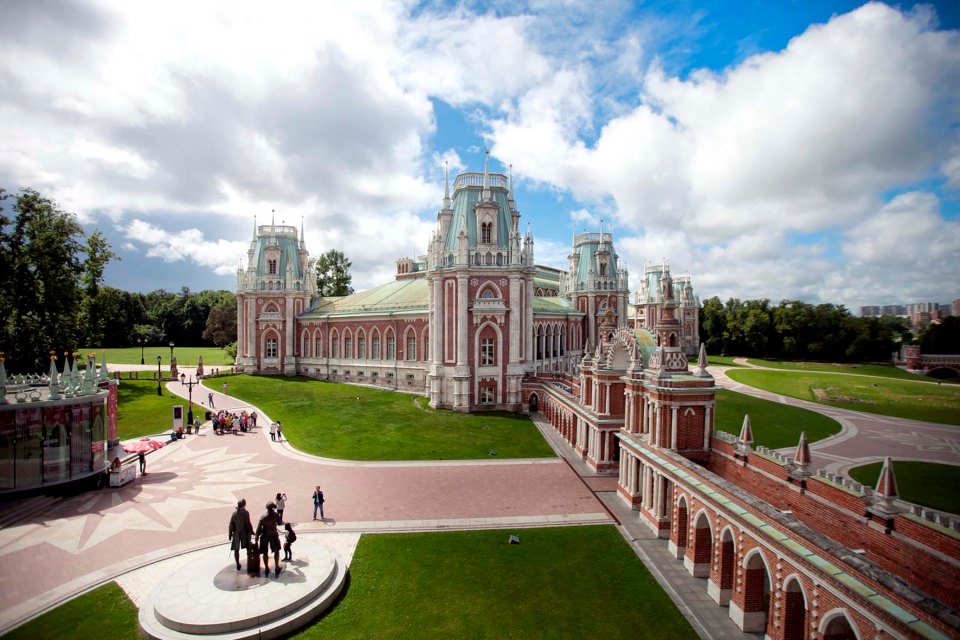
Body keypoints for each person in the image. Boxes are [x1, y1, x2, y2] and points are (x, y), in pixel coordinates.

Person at [256, 501, 283, 578]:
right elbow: (280, 523)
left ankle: (267, 568)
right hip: (273, 534)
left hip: (265, 535)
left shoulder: (263, 516)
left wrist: (256, 538)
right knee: (276, 551)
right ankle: (277, 567)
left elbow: (258, 528)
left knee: (265, 552)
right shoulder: (275, 515)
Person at [228, 498, 254, 571]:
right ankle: (250, 562)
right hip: (245, 533)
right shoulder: (246, 513)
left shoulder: (234, 513)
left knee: (236, 550)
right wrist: (252, 531)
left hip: (236, 533)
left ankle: (237, 564)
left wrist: (230, 533)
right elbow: (248, 523)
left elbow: (231, 523)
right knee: (248, 547)